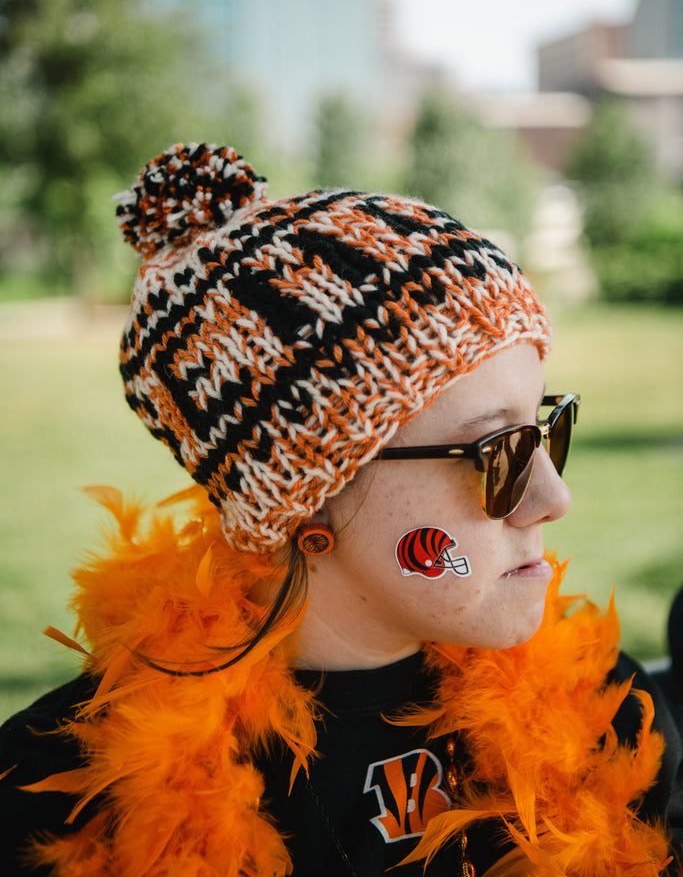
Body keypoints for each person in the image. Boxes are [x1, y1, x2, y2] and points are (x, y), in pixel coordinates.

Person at [0, 142, 681, 877]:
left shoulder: (606, 721)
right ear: (303, 501)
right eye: (494, 449)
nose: (553, 497)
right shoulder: (66, 804)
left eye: (543, 428)